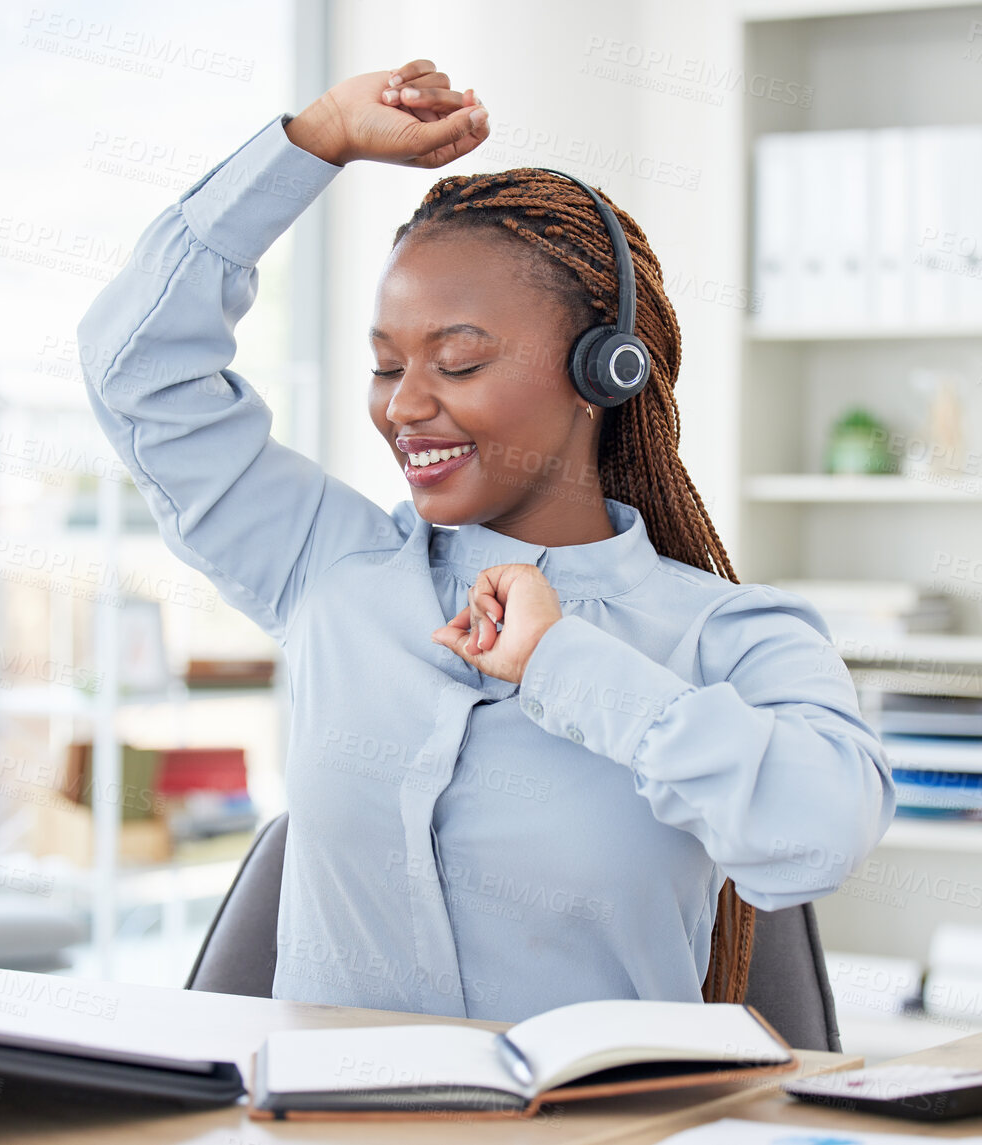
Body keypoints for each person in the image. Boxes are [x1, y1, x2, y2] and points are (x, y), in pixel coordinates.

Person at [77, 59, 895, 1023]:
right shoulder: (328, 568)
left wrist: (566, 664)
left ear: (603, 367)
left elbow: (819, 835)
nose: (406, 406)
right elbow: (138, 366)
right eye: (387, 366)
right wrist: (315, 141)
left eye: (458, 361)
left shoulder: (729, 635)